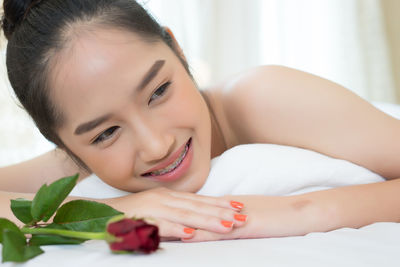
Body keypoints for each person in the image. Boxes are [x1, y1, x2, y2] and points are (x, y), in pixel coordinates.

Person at [1, 0, 400, 243]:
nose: (157, 146)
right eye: (107, 133)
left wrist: (297, 212)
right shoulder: (75, 165)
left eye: (158, 91)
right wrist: (120, 211)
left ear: (178, 50)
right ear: (64, 145)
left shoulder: (264, 97)